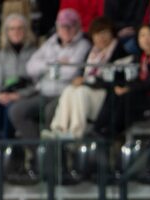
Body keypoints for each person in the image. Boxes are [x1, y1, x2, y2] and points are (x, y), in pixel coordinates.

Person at [9, 8, 91, 140]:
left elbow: (70, 72)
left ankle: (51, 153)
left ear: (77, 27)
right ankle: (38, 149)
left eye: (70, 26)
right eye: (62, 26)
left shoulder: (83, 45)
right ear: (57, 27)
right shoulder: (51, 42)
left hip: (64, 94)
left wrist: (47, 68)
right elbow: (30, 67)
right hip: (43, 92)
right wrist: (54, 63)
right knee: (16, 111)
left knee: (49, 113)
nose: (66, 30)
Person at [45, 16, 129, 138]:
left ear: (112, 33)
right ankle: (59, 129)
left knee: (81, 92)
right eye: (97, 34)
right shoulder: (91, 53)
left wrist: (87, 81)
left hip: (106, 97)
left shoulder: (120, 52)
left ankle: (76, 132)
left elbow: (115, 80)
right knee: (69, 90)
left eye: (105, 33)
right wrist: (83, 80)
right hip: (90, 92)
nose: (101, 37)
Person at [94, 23, 150, 137]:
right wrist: (121, 87)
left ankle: (112, 131)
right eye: (142, 35)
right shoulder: (139, 58)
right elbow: (127, 77)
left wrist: (128, 88)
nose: (146, 39)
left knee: (126, 96)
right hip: (137, 92)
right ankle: (100, 127)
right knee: (114, 92)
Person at [0, 13, 37, 146]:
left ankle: (9, 147)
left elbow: (37, 84)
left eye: (20, 28)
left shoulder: (35, 52)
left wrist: (18, 95)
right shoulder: (2, 54)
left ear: (26, 30)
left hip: (25, 95)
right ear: (6, 32)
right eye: (12, 29)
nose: (16, 32)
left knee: (11, 108)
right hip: (5, 93)